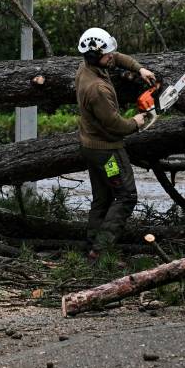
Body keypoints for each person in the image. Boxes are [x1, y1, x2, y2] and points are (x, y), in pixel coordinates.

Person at [75, 27, 156, 260]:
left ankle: (91, 247)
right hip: (107, 153)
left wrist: (138, 68)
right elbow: (116, 125)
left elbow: (116, 57)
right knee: (126, 195)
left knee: (103, 197)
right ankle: (101, 250)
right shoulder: (97, 89)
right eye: (107, 54)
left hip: (91, 147)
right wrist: (138, 121)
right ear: (95, 56)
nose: (112, 56)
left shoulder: (88, 66)